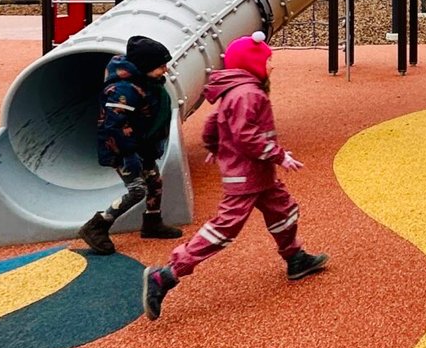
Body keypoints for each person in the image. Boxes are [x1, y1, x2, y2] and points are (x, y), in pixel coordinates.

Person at [143, 30, 327, 320]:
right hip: (247, 176)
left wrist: (214, 146)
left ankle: (295, 258)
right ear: (252, 64)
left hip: (258, 175)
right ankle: (166, 274)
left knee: (284, 210)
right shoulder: (249, 94)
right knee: (225, 229)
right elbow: (246, 136)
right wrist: (279, 155)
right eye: (267, 60)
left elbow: (214, 122)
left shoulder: (235, 90)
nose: (271, 65)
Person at [79, 35, 183, 253]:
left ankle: (152, 222)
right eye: (160, 66)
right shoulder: (122, 90)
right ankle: (97, 225)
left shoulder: (148, 83)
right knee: (137, 190)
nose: (165, 70)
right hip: (122, 149)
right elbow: (114, 125)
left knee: (154, 181)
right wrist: (128, 153)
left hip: (141, 145)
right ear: (145, 66)